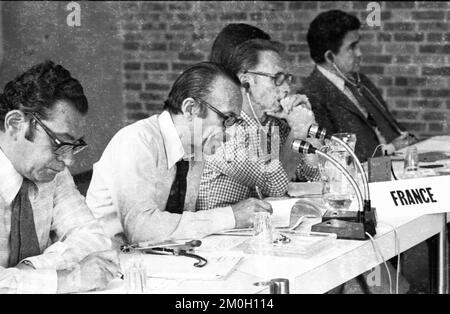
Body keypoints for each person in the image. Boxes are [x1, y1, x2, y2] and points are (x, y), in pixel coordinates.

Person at [86, 62, 272, 247]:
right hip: (113, 262)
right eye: (226, 119)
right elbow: (140, 229)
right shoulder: (137, 141)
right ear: (190, 108)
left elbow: (179, 226)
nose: (229, 135)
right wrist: (231, 216)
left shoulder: (195, 151)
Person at [0, 60, 119, 294]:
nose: (68, 161)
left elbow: (92, 237)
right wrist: (66, 279)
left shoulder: (53, 173)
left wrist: (29, 271)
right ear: (15, 124)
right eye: (59, 142)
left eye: (73, 146)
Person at [197, 38, 318, 211]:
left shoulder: (272, 125)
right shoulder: (224, 128)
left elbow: (314, 174)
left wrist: (309, 124)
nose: (286, 89)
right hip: (223, 233)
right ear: (246, 82)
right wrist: (298, 131)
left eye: (286, 79)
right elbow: (275, 187)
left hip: (258, 229)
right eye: (276, 78)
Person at [301, 10, 418, 162]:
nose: (359, 53)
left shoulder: (360, 81)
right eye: (352, 47)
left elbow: (391, 126)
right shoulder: (312, 96)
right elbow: (333, 156)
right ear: (330, 57)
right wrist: (392, 148)